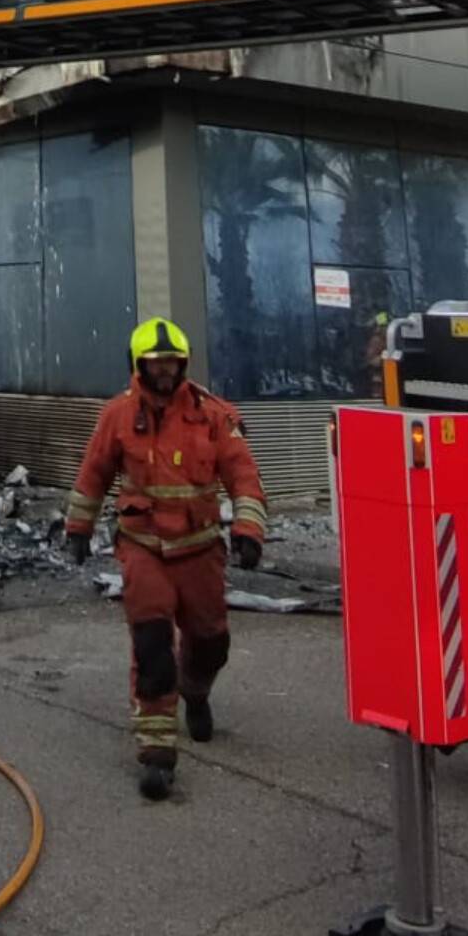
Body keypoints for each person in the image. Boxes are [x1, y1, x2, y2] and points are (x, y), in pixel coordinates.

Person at [64, 317, 267, 801]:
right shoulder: (117, 415)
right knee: (153, 647)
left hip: (199, 550)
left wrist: (249, 529)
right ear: (137, 366)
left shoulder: (213, 415)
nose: (163, 372)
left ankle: (195, 692)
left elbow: (243, 474)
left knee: (211, 641)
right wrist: (78, 528)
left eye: (171, 363)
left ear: (184, 364)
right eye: (154, 365)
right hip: (144, 547)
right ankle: (157, 754)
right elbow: (93, 473)